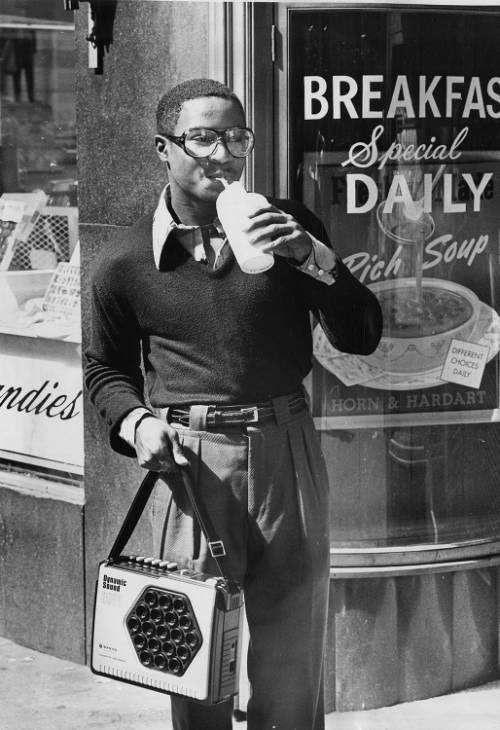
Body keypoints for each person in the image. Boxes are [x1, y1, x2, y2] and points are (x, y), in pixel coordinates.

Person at [84, 78, 382, 730]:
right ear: (163, 148)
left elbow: (362, 333)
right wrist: (137, 425)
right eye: (204, 138)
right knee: (193, 660)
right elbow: (103, 370)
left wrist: (316, 258)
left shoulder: (291, 226)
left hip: (286, 450)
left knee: (292, 657)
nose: (224, 153)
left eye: (237, 137)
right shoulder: (126, 259)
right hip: (189, 466)